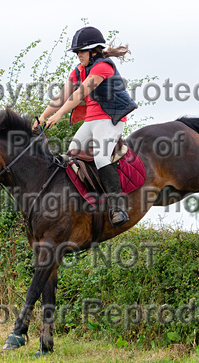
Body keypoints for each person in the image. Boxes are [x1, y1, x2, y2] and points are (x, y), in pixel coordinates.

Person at [33, 26, 137, 227]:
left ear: (94, 51)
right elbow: (63, 94)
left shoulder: (103, 67)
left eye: (81, 52)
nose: (78, 56)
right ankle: (87, 201)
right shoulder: (79, 70)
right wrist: (43, 117)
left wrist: (60, 114)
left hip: (111, 118)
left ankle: (117, 208)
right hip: (92, 120)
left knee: (100, 156)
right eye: (77, 52)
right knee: (72, 155)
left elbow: (80, 93)